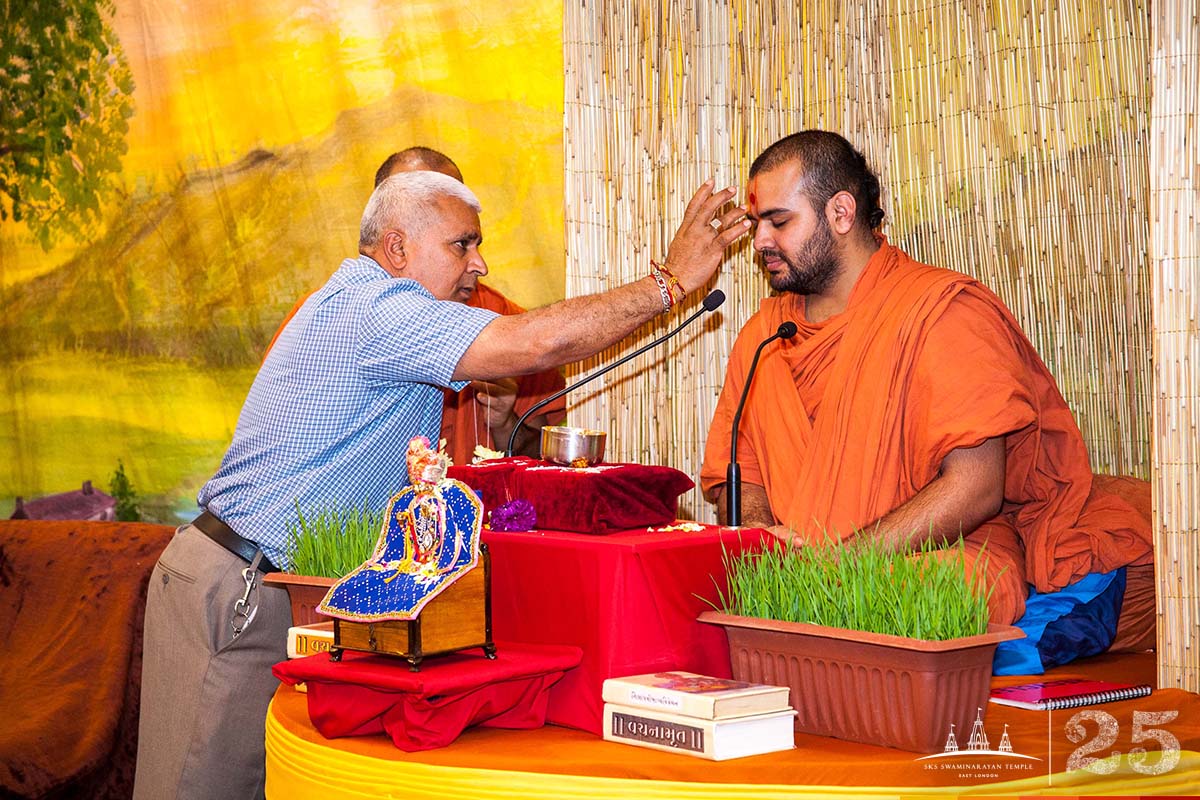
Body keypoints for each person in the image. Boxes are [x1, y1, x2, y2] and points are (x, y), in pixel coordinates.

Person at [134, 170, 748, 799]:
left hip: (273, 587)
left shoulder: (375, 309)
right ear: (397, 248)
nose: (479, 264)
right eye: (462, 244)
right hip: (241, 587)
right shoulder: (377, 309)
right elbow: (537, 341)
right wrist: (667, 283)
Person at [700, 130, 1154, 631]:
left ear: (841, 213)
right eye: (758, 223)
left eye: (778, 221)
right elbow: (739, 476)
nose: (760, 240)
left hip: (930, 554)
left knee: (917, 602)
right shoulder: (764, 335)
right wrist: (766, 545)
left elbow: (977, 487)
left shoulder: (940, 312)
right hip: (794, 565)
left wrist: (841, 564)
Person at [266, 146, 567, 463]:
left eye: (444, 197)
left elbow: (544, 458)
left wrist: (505, 423)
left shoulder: (501, 319)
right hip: (360, 513)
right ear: (393, 239)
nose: (479, 264)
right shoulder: (326, 316)